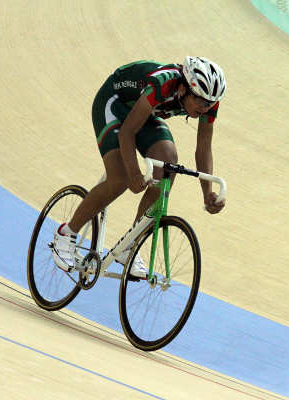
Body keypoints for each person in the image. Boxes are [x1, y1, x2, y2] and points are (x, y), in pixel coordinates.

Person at [52, 56, 227, 279]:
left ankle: (129, 245)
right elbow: (127, 132)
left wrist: (207, 193)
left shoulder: (210, 100)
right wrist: (134, 173)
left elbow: (203, 147)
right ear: (184, 89)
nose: (206, 108)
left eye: (209, 104)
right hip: (114, 103)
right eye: (201, 102)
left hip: (144, 113)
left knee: (168, 163)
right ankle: (66, 233)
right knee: (121, 178)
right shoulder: (163, 83)